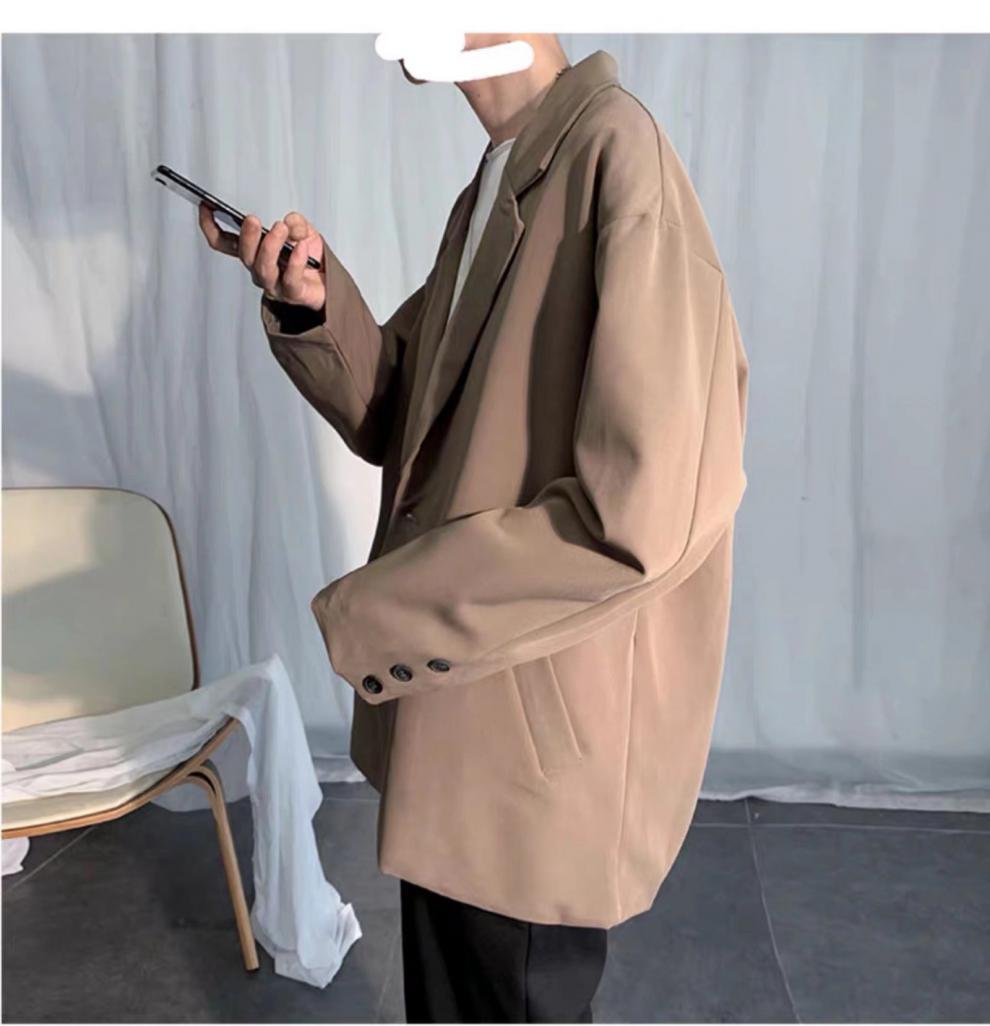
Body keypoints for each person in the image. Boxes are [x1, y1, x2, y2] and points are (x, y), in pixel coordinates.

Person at [200, 34, 750, 1024]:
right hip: (463, 706)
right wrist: (313, 305)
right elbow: (407, 418)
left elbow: (642, 515)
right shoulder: (508, 171)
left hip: (532, 724)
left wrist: (392, 608)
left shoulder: (613, 155)